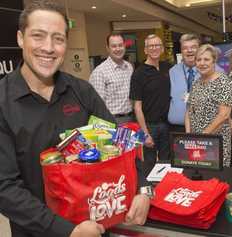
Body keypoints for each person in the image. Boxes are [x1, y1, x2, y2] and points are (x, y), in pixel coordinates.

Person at [0, 1, 150, 237]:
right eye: (38, 36)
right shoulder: (2, 101)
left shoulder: (82, 91)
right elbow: (5, 187)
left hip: (97, 224)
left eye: (58, 38)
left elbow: (123, 142)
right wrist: (67, 231)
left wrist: (143, 189)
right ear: (20, 38)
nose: (48, 47)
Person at [185, 44, 232, 167]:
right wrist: (188, 136)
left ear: (214, 61)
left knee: (216, 179)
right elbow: (189, 111)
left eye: (206, 59)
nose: (202, 63)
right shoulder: (196, 83)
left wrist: (203, 138)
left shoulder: (223, 81)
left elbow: (224, 115)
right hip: (196, 141)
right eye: (199, 60)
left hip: (215, 142)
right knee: (199, 178)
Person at [130, 34, 172, 176]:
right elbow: (137, 106)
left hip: (168, 125)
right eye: (151, 46)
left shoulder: (168, 68)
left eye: (157, 45)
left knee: (168, 162)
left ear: (162, 49)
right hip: (149, 126)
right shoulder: (139, 73)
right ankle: (150, 195)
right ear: (145, 50)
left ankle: (164, 190)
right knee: (150, 164)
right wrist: (145, 134)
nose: (154, 48)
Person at [89, 33, 134, 125]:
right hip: (111, 121)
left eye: (120, 45)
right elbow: (97, 105)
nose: (118, 49)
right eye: (114, 46)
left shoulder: (129, 67)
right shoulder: (100, 72)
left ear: (124, 46)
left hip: (131, 118)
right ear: (107, 48)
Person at [168, 34, 200, 133]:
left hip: (203, 129)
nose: (189, 51)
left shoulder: (212, 71)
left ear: (200, 49)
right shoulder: (172, 71)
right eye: (185, 48)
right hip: (177, 129)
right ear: (181, 51)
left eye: (193, 47)